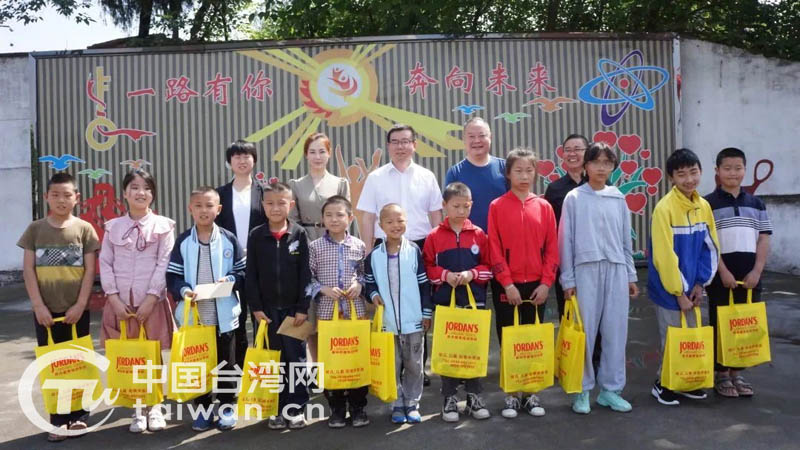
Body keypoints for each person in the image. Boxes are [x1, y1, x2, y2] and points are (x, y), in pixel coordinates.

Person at [357, 123, 443, 386]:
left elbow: (436, 214)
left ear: (414, 145)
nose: (401, 146)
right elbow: (368, 216)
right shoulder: (376, 177)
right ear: (388, 146)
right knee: (389, 303)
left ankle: (417, 367)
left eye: (406, 141)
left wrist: (437, 249)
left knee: (416, 304)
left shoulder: (426, 176)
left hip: (419, 246)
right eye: (395, 142)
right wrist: (368, 250)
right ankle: (392, 365)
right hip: (385, 248)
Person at [18, 172, 100, 442]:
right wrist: (38, 306)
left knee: (78, 363)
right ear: (46, 197)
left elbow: (90, 271)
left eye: (67, 195)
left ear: (77, 198)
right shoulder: (35, 230)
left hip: (76, 310)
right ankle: (58, 419)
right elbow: (28, 270)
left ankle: (80, 415)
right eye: (55, 195)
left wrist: (81, 304)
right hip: (45, 312)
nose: (61, 200)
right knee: (54, 364)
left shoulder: (85, 229)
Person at [558, 143, 639, 414]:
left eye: (607, 162)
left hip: (616, 269)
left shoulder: (618, 198)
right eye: (596, 162)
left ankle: (611, 390)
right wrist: (568, 279)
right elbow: (565, 241)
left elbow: (626, 240)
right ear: (586, 166)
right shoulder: (574, 198)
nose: (601, 168)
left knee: (616, 332)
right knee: (586, 332)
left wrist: (630, 274)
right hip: (586, 270)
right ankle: (582, 390)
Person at [99, 169, 176, 433]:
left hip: (150, 301)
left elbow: (164, 262)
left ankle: (155, 406)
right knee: (130, 356)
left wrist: (152, 297)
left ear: (153, 194)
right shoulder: (113, 227)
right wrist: (112, 297)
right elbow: (105, 262)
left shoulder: (164, 226)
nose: (140, 192)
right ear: (125, 193)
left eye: (146, 188)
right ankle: (137, 408)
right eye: (134, 187)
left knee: (152, 355)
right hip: (121, 301)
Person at [167, 186, 246, 431]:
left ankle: (227, 406)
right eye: (198, 206)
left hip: (224, 317)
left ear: (218, 209)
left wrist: (230, 280)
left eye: (209, 205)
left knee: (227, 364)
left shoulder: (228, 239)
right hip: (196, 319)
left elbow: (242, 270)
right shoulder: (183, 241)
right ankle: (203, 409)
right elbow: (173, 276)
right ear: (190, 209)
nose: (204, 210)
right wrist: (183, 290)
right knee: (199, 366)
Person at [487, 147, 558, 419]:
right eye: (518, 170)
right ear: (508, 174)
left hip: (537, 285)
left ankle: (531, 392)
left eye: (529, 170)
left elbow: (552, 248)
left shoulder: (544, 206)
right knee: (509, 338)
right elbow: (494, 248)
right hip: (508, 286)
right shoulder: (497, 206)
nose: (524, 176)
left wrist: (546, 283)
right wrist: (507, 283)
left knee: (532, 339)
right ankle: (511, 393)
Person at [648, 148, 719, 407]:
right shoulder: (664, 208)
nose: (689, 179)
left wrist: (700, 283)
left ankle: (686, 382)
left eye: (693, 172)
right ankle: (663, 384)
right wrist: (678, 292)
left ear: (701, 172)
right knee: (672, 336)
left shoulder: (704, 206)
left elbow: (710, 247)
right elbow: (664, 256)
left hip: (693, 288)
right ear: (671, 178)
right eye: (681, 174)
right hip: (669, 289)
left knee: (690, 335)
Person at [704, 147, 772, 398]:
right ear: (717, 171)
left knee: (745, 324)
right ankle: (722, 373)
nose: (733, 173)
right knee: (721, 323)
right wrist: (722, 271)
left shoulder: (756, 203)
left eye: (738, 168)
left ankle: (737, 372)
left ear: (745, 169)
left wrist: (757, 271)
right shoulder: (708, 204)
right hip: (722, 276)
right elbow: (710, 242)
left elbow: (763, 238)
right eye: (727, 168)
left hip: (750, 275)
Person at [422, 182, 493, 422]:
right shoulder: (434, 236)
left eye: (466, 206)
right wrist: (445, 275)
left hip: (474, 304)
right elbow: (427, 267)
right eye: (456, 206)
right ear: (444, 205)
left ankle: (474, 396)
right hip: (446, 304)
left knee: (473, 350)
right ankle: (449, 398)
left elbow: (489, 267)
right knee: (448, 351)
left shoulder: (479, 234)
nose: (462, 211)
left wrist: (472, 274)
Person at [245, 181, 312, 430]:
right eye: (270, 203)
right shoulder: (256, 235)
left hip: (294, 312)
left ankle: (296, 408)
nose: (275, 208)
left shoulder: (299, 234)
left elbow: (306, 274)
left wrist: (303, 307)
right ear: (263, 206)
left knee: (296, 359)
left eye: (281, 203)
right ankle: (275, 408)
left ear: (291, 205)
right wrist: (256, 308)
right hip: (267, 312)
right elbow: (251, 275)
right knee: (273, 360)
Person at [365, 204, 432, 425]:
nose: (395, 225)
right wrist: (374, 295)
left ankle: (412, 403)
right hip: (387, 323)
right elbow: (369, 283)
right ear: (381, 225)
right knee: (391, 365)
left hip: (413, 321)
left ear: (406, 222)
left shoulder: (414, 251)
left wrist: (426, 313)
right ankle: (396, 404)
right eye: (390, 221)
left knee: (414, 364)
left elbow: (424, 285)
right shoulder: (374, 256)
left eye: (400, 220)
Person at [307, 195, 369, 428]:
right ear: (322, 219)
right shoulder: (315, 247)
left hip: (355, 313)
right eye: (329, 215)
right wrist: (322, 288)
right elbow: (307, 278)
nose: (334, 219)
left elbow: (364, 273)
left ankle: (358, 407)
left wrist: (359, 285)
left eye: (340, 215)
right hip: (327, 313)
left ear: (350, 218)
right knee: (331, 361)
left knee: (355, 358)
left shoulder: (359, 245)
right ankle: (336, 408)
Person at [289, 132, 351, 363]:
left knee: (334, 301)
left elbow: (346, 216)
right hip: (307, 244)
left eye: (322, 151)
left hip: (334, 245)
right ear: (306, 155)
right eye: (312, 151)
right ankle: (317, 365)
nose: (317, 156)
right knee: (311, 309)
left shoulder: (340, 183)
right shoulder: (296, 185)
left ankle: (338, 363)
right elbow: (293, 220)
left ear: (329, 154)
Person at [216, 140, 266, 371]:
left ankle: (260, 370)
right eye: (237, 156)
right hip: (230, 266)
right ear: (229, 162)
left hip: (259, 264)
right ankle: (235, 370)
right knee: (233, 317)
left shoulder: (264, 193)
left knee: (260, 317)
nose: (242, 160)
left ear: (254, 160)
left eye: (247, 156)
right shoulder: (220, 195)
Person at [544, 133, 588, 317]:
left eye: (577, 149)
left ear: (587, 153)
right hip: (566, 259)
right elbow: (549, 229)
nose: (572, 154)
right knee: (569, 312)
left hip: (593, 258)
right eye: (568, 150)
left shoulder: (600, 184)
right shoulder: (555, 189)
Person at [443, 117, 507, 232]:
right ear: (464, 139)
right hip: (469, 238)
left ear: (490, 137)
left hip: (502, 235)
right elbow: (450, 212)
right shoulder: (455, 173)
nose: (477, 141)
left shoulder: (505, 168)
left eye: (482, 135)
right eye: (471, 136)